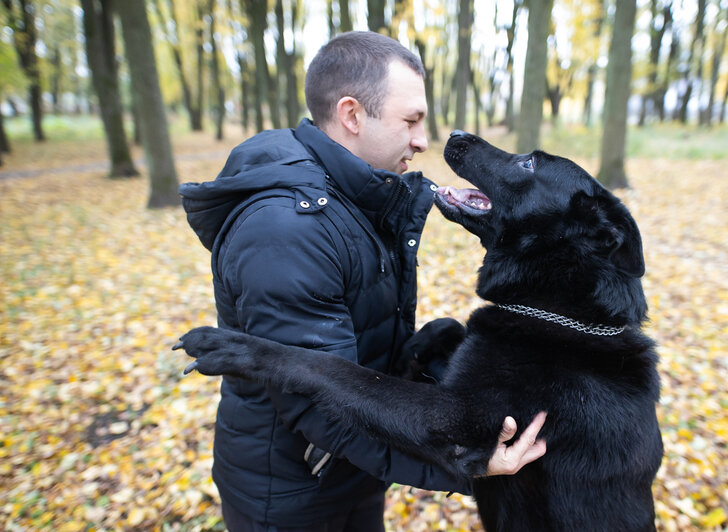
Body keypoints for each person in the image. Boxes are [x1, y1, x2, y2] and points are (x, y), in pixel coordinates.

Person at [179, 31, 546, 532]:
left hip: (353, 471)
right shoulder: (289, 230)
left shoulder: (361, 196)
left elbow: (365, 353)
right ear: (352, 116)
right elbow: (321, 406)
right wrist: (468, 463)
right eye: (411, 121)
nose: (422, 140)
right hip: (293, 496)